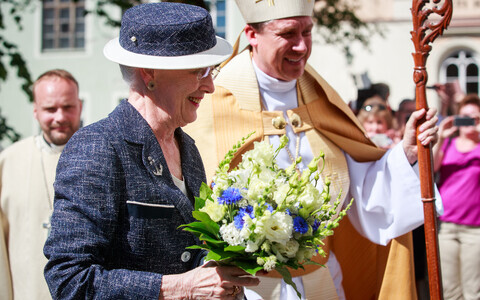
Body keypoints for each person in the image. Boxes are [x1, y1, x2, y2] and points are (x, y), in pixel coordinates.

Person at [184, 0, 440, 299]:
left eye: (308, 32)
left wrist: (405, 152)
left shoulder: (320, 96)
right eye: (288, 33)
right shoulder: (215, 100)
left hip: (321, 280)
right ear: (252, 34)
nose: (302, 46)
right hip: (249, 287)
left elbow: (362, 183)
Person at [43, 3, 260, 299]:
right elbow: (69, 280)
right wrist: (179, 288)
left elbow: (188, 251)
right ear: (149, 73)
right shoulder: (98, 147)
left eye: (212, 70)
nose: (210, 85)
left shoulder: (188, 148)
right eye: (199, 70)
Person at [0, 69, 83, 300]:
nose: (60, 117)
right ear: (35, 111)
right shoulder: (8, 162)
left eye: (67, 107)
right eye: (50, 109)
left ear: (80, 107)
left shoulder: (104, 155)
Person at [433, 94, 480, 300]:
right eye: (465, 117)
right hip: (447, 225)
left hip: (475, 229)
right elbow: (431, 168)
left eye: (475, 117)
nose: (470, 121)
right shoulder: (448, 144)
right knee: (450, 290)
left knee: (473, 290)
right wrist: (441, 137)